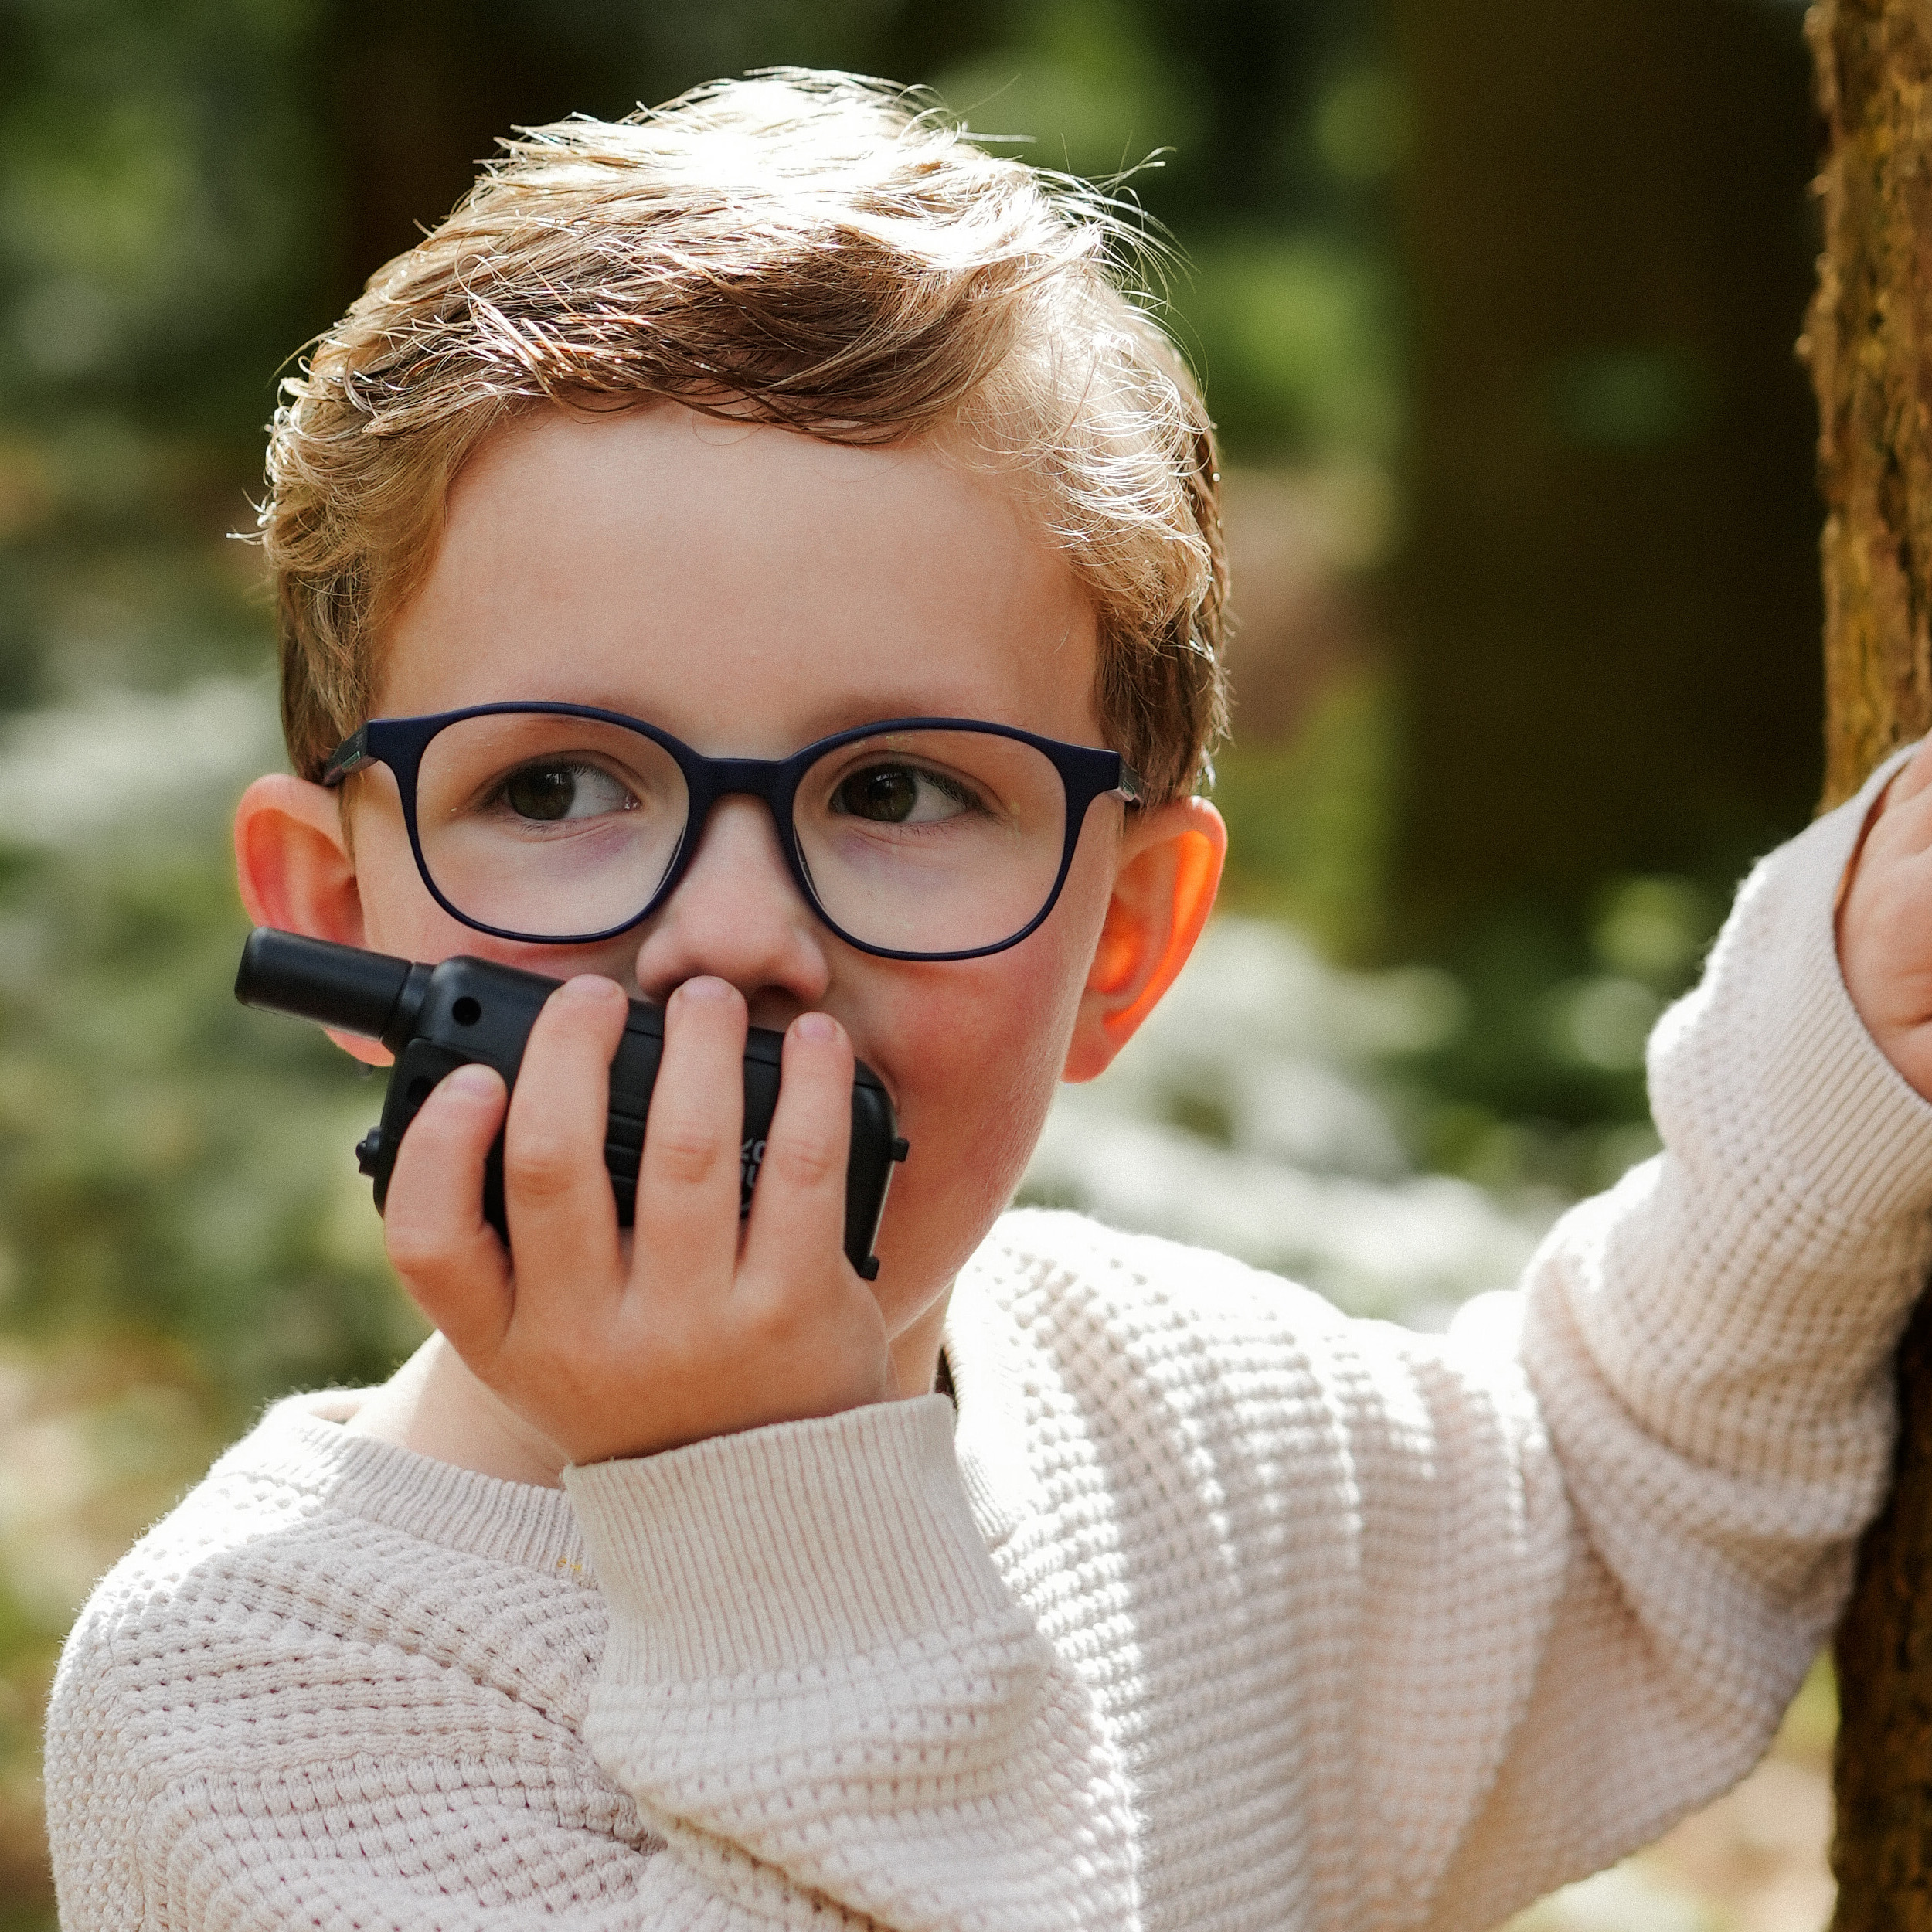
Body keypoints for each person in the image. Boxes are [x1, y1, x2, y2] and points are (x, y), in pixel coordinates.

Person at [39, 69, 1932, 1932]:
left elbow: (1600, 1530)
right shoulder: (245, 1705)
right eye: (552, 786)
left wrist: (1839, 1036)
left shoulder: (1151, 1409)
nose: (730, 934)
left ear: (1120, 940)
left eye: (894, 791)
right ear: (336, 910)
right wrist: (756, 1498)